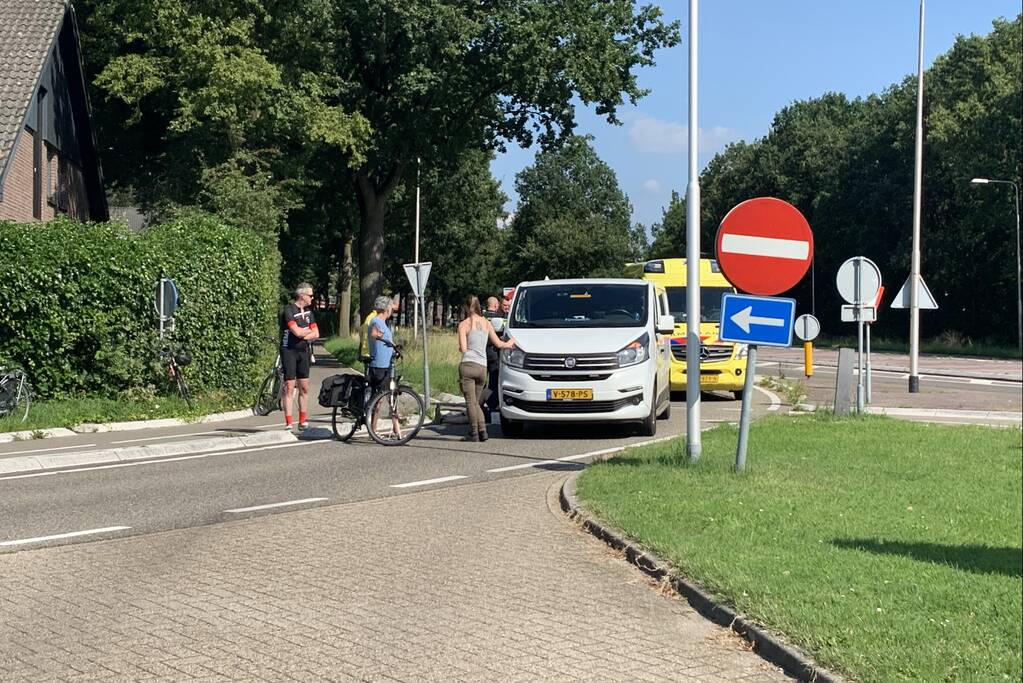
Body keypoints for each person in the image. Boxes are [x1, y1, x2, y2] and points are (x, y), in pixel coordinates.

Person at [458, 295, 516, 442]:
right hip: (482, 367)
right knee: (477, 402)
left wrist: (464, 346)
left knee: (471, 402)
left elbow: (463, 349)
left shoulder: (464, 324)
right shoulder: (486, 323)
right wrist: (511, 342)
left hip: (468, 365)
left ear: (466, 307)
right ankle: (483, 431)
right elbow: (499, 344)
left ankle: (474, 432)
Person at [280, 283, 319, 430]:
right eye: (310, 295)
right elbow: (296, 331)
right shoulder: (289, 310)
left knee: (304, 387)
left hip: (304, 351)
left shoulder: (309, 313)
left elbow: (317, 334)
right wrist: (307, 332)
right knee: (289, 386)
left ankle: (302, 420)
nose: (312, 298)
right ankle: (289, 422)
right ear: (302, 296)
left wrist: (304, 333)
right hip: (289, 350)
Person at [481, 296, 503, 420]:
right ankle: (493, 405)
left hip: (481, 353)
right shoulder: (500, 319)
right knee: (494, 382)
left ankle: (479, 405)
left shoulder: (480, 318)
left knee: (481, 382)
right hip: (494, 353)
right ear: (495, 306)